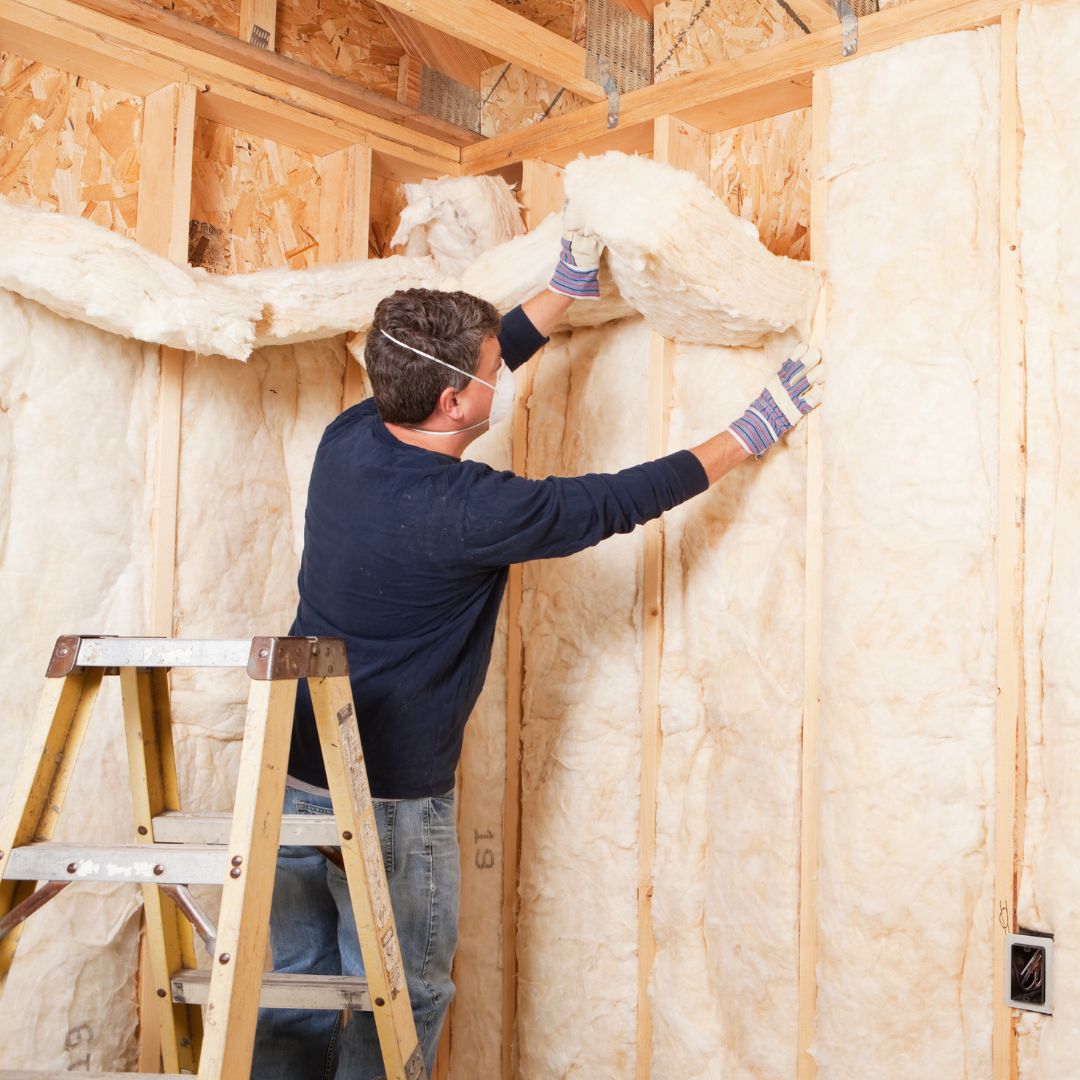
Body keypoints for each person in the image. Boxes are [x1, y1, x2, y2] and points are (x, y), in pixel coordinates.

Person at [250, 229, 823, 1079]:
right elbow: (617, 500)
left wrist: (559, 293)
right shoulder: (474, 511)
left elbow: (460, 365)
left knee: (293, 987)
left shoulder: (351, 438)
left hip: (291, 769)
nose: (496, 378)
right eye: (487, 371)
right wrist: (750, 431)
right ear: (452, 404)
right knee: (401, 997)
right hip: (393, 803)